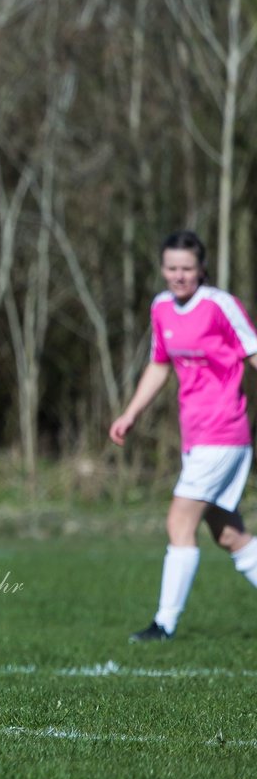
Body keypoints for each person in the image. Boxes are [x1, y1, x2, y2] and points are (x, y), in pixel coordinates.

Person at [109, 230, 257, 641]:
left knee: (179, 521)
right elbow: (159, 365)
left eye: (187, 269)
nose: (179, 276)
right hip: (195, 437)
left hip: (224, 431)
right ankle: (165, 623)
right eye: (172, 268)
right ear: (162, 269)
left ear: (201, 269)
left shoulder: (220, 305)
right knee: (228, 534)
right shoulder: (161, 308)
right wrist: (131, 413)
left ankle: (164, 623)